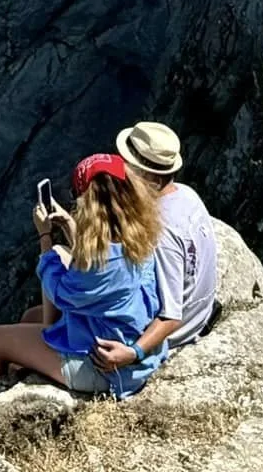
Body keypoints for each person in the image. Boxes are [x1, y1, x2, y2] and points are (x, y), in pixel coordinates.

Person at [0, 154, 166, 398]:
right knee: (30, 317)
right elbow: (95, 275)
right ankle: (16, 377)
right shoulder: (138, 236)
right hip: (131, 346)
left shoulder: (104, 262)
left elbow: (59, 292)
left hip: (103, 367)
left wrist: (45, 238)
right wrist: (70, 227)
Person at [90, 120, 218, 383]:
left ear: (152, 177)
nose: (122, 170)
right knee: (36, 318)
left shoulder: (159, 230)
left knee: (38, 323)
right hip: (199, 314)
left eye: (130, 166)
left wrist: (133, 352)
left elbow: (171, 315)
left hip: (169, 336)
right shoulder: (186, 195)